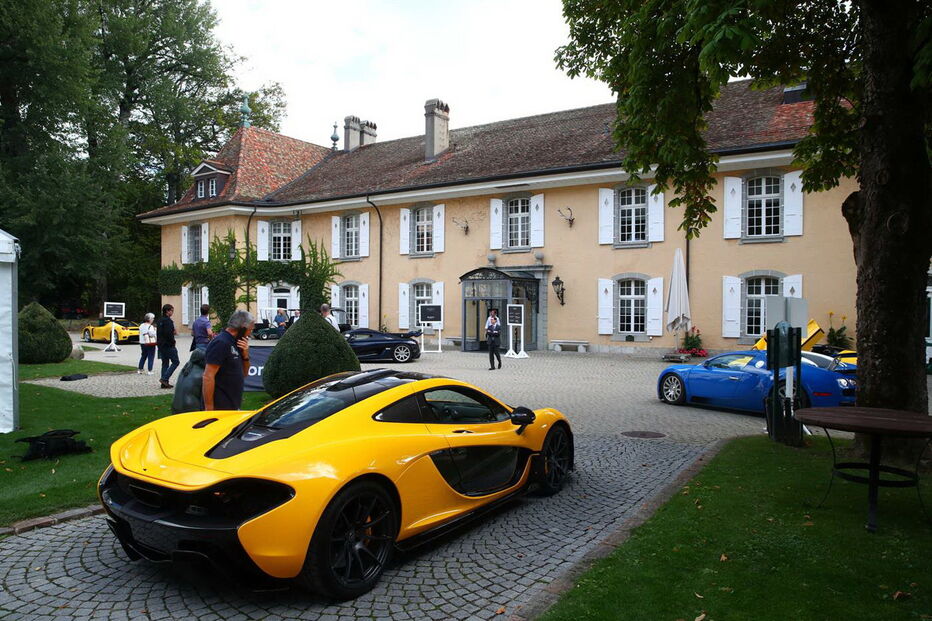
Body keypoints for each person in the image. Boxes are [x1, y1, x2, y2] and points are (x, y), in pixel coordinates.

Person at [202, 310, 254, 411]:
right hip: (219, 406)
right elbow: (208, 376)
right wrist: (208, 408)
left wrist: (245, 356)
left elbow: (245, 374)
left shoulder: (237, 343)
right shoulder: (221, 342)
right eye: (250, 330)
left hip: (232, 404)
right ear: (242, 328)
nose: (250, 334)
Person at [156, 304, 180, 388]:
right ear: (167, 311)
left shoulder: (159, 320)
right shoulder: (168, 321)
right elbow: (168, 334)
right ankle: (164, 378)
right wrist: (173, 341)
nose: (172, 312)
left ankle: (164, 383)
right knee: (176, 362)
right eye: (171, 311)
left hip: (160, 344)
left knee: (165, 363)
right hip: (168, 344)